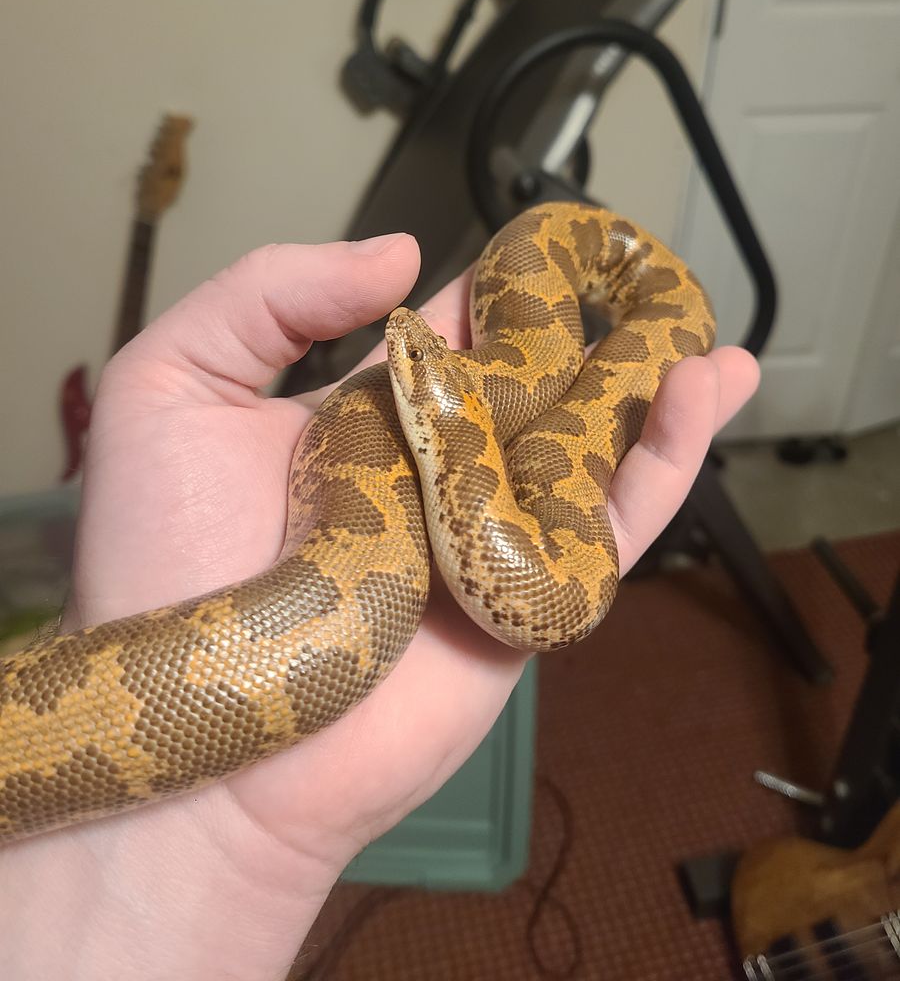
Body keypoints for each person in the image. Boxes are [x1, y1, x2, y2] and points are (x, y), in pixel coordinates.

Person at [0, 231, 759, 979]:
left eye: (421, 362)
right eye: (416, 360)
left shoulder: (477, 478)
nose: (407, 339)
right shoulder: (456, 441)